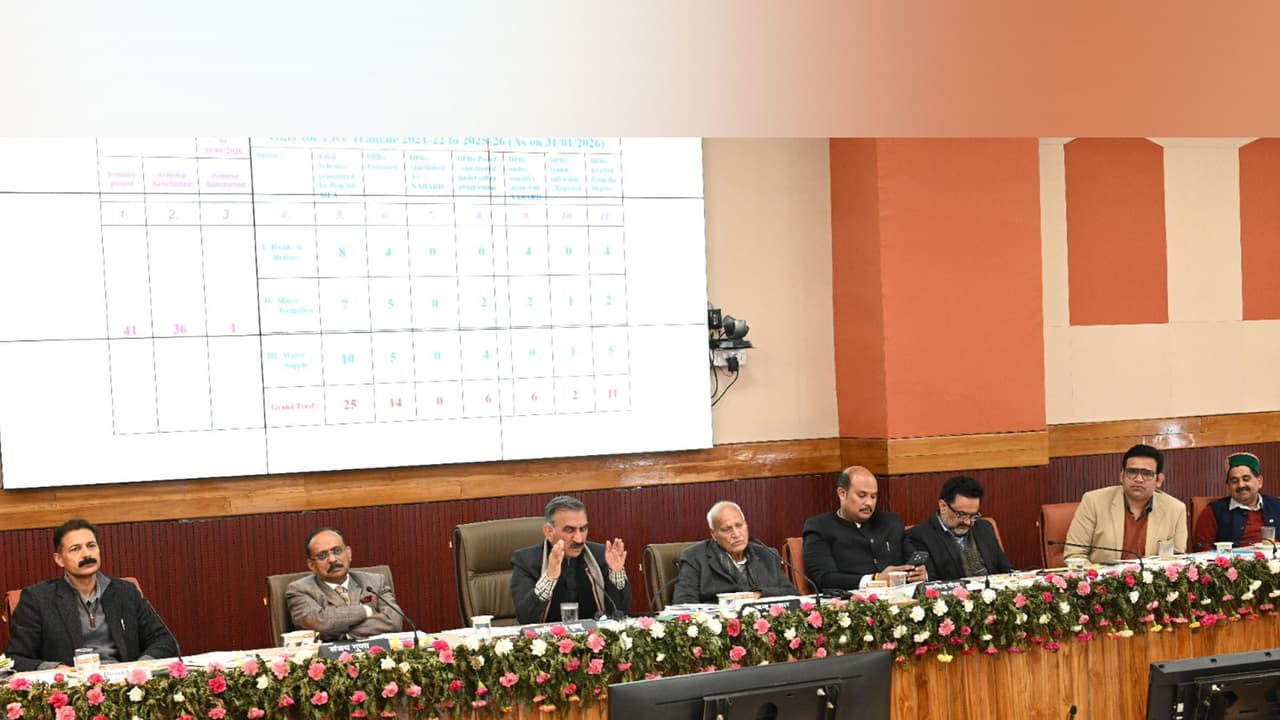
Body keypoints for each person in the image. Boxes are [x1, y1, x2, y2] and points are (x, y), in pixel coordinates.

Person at [4, 518, 178, 671]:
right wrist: (57, 670)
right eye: (75, 549)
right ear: (59, 559)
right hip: (72, 687)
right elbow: (15, 659)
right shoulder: (37, 599)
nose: (87, 554)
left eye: (91, 546)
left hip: (126, 683)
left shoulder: (125, 592)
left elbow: (164, 641)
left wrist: (140, 667)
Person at [801, 465, 926, 591]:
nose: (869, 503)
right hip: (850, 599)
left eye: (873, 496)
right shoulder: (819, 527)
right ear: (842, 494)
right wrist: (875, 580)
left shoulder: (891, 522)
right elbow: (824, 578)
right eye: (862, 495)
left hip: (900, 596)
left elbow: (912, 561)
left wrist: (919, 573)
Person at [511, 495, 631, 624]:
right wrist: (549, 578)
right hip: (548, 635)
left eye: (583, 529)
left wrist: (616, 575)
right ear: (549, 532)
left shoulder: (602, 556)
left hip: (594, 635)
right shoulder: (526, 561)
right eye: (569, 530)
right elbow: (526, 618)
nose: (579, 539)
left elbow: (620, 612)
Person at [1065, 444, 1187, 563]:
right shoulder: (1093, 501)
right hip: (1104, 576)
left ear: (1159, 480)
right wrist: (1097, 574)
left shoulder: (1176, 509)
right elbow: (1075, 555)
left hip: (1151, 576)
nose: (1138, 479)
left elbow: (1177, 561)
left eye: (1147, 473)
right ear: (1122, 476)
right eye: (1132, 472)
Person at [285, 526, 403, 642]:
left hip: (377, 651)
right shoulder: (299, 589)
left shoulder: (375, 582)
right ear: (311, 565)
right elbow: (320, 624)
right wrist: (366, 611)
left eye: (337, 551)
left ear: (349, 553)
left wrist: (344, 635)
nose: (332, 559)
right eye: (322, 555)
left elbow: (394, 620)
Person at [672, 501, 798, 604]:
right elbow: (683, 601)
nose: (736, 534)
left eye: (739, 525)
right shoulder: (695, 558)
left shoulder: (767, 555)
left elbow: (792, 594)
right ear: (713, 534)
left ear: (746, 525)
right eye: (726, 529)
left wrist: (758, 595)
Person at [905, 476, 1014, 581]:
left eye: (973, 515)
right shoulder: (919, 536)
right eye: (962, 515)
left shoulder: (984, 527)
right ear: (943, 506)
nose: (968, 522)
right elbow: (929, 578)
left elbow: (1006, 570)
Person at [1193, 452, 1280, 548]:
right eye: (1234, 481)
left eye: (1246, 479)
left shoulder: (1277, 506)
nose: (1241, 485)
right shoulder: (1213, 511)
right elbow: (1202, 546)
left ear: (1260, 481)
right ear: (1228, 486)